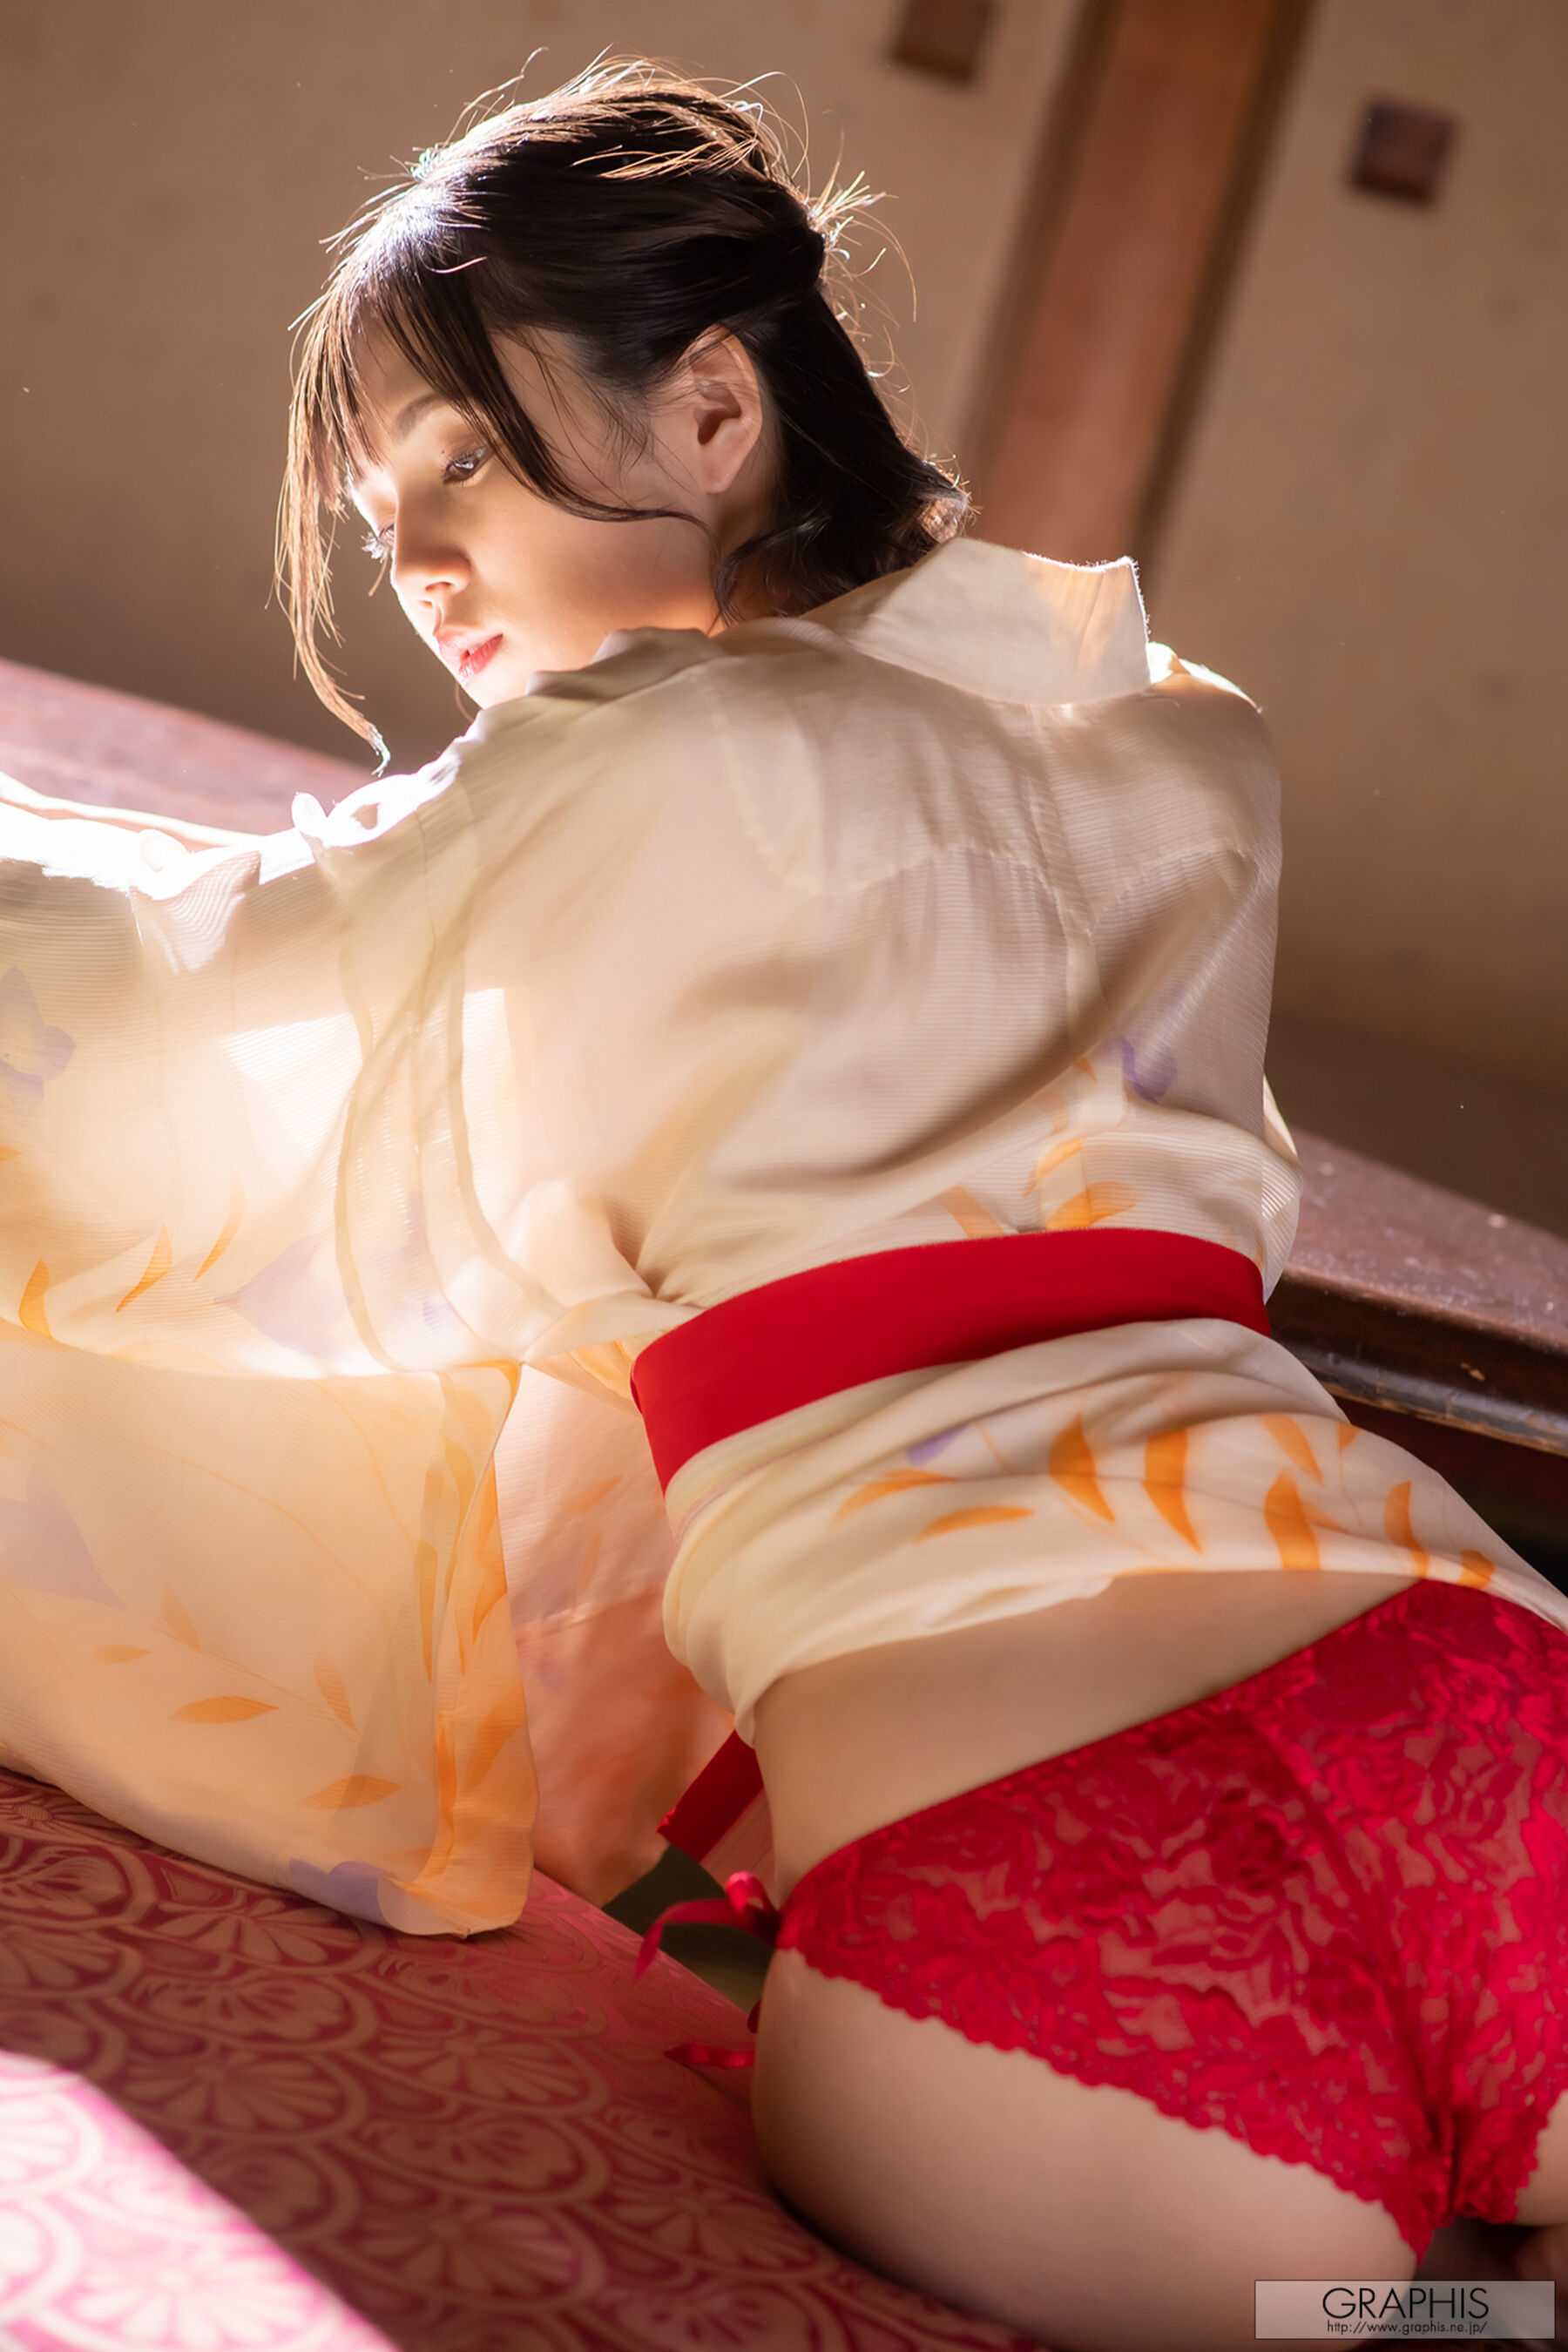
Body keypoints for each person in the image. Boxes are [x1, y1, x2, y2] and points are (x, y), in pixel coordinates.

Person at [3, 51, 1565, 2352]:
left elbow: (164, 1037)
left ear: (717, 405)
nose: (414, 559)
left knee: (1391, 2334)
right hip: (1466, 1687)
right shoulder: (1180, 737)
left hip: (1015, 1855)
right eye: (378, 505)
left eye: (455, 456)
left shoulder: (635, 752)